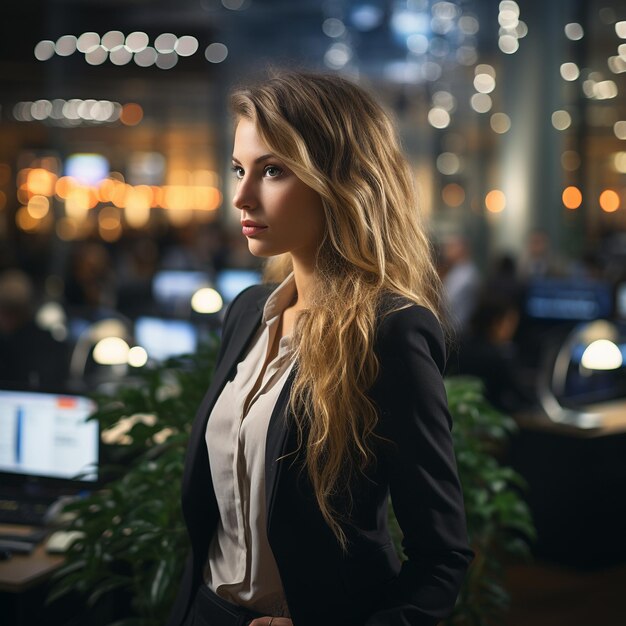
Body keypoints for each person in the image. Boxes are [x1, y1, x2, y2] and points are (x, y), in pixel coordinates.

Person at [168, 71, 473, 626]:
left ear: (339, 179)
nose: (241, 195)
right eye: (239, 169)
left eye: (273, 171)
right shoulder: (246, 312)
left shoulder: (391, 331)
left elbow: (442, 557)